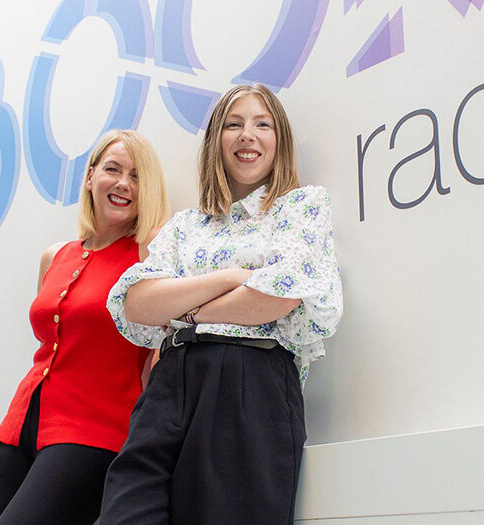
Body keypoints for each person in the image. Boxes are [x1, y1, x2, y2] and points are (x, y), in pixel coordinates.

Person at [100, 84, 343, 524]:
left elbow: (278, 297)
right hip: (168, 385)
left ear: (279, 140)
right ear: (216, 142)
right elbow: (136, 301)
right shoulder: (186, 225)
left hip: (248, 384)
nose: (247, 135)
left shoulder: (301, 206)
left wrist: (184, 311)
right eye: (234, 124)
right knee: (126, 513)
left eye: (261, 124)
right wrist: (232, 279)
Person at [0, 130, 170, 525]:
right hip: (18, 428)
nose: (124, 183)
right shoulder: (54, 256)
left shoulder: (149, 255)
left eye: (137, 176)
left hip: (93, 435)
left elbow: (157, 356)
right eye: (113, 169)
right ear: (90, 177)